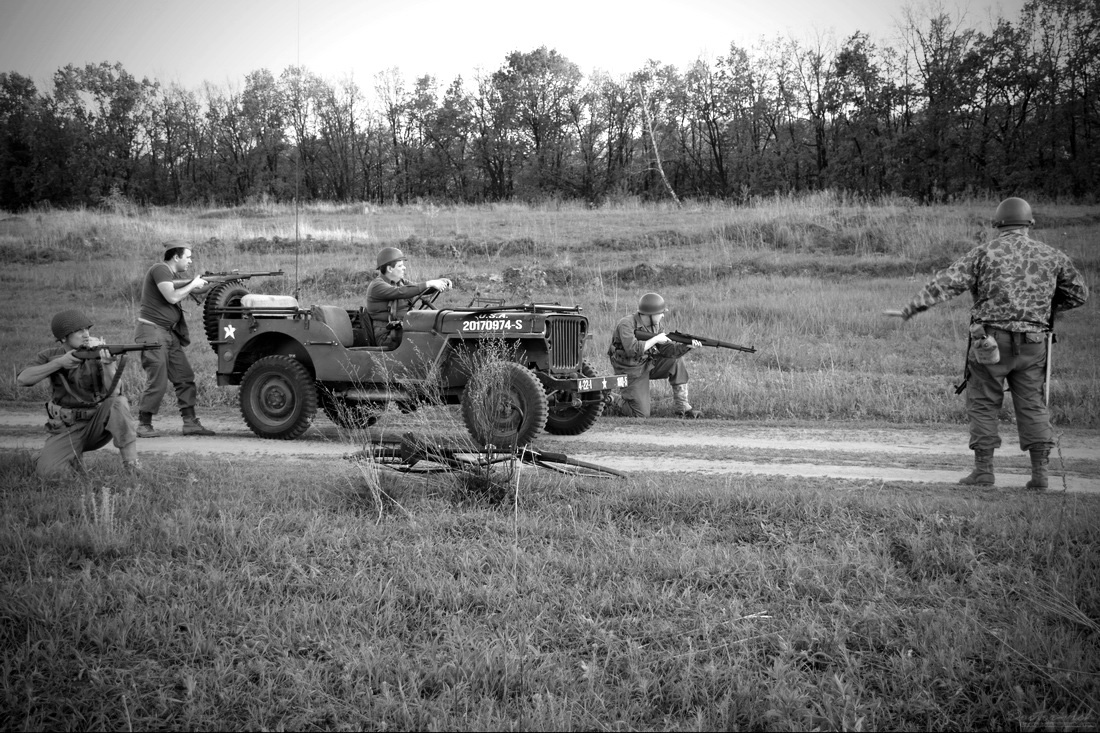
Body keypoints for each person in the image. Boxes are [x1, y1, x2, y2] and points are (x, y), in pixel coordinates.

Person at [887, 197, 1088, 489]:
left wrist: (911, 308)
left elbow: (947, 283)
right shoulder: (1053, 256)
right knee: (1033, 404)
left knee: (983, 403)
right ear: (1030, 223)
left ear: (998, 224)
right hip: (1034, 342)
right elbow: (1078, 295)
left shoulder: (984, 253)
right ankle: (1040, 476)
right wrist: (1044, 309)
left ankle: (983, 472)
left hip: (990, 342)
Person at [17, 309, 139, 478]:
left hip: (96, 424)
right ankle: (47, 457)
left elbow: (115, 391)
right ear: (63, 337)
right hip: (65, 428)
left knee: (118, 402)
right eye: (79, 331)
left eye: (87, 329)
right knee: (52, 474)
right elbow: (23, 379)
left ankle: (132, 467)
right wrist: (60, 363)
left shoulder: (97, 353)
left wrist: (108, 364)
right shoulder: (50, 356)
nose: (86, 334)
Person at [133, 242, 215, 437]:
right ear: (176, 257)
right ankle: (144, 424)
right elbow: (172, 297)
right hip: (152, 332)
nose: (190, 261)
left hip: (169, 333)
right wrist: (193, 284)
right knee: (158, 380)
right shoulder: (160, 269)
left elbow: (195, 292)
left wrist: (215, 283)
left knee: (184, 376)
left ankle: (190, 423)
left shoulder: (172, 276)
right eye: (188, 257)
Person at [606, 292, 703, 418]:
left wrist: (687, 346)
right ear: (650, 314)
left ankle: (682, 406)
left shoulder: (656, 325)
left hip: (647, 363)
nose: (663, 315)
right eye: (660, 313)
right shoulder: (626, 324)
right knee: (640, 414)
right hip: (630, 370)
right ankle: (609, 398)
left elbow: (667, 350)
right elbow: (632, 350)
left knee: (676, 360)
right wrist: (655, 339)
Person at [364, 247, 452, 348]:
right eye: (400, 266)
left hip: (403, 328)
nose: (404, 268)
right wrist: (429, 283)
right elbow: (401, 292)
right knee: (429, 338)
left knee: (436, 328)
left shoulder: (400, 282)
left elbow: (419, 289)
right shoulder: (377, 285)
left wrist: (441, 282)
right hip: (388, 335)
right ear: (390, 269)